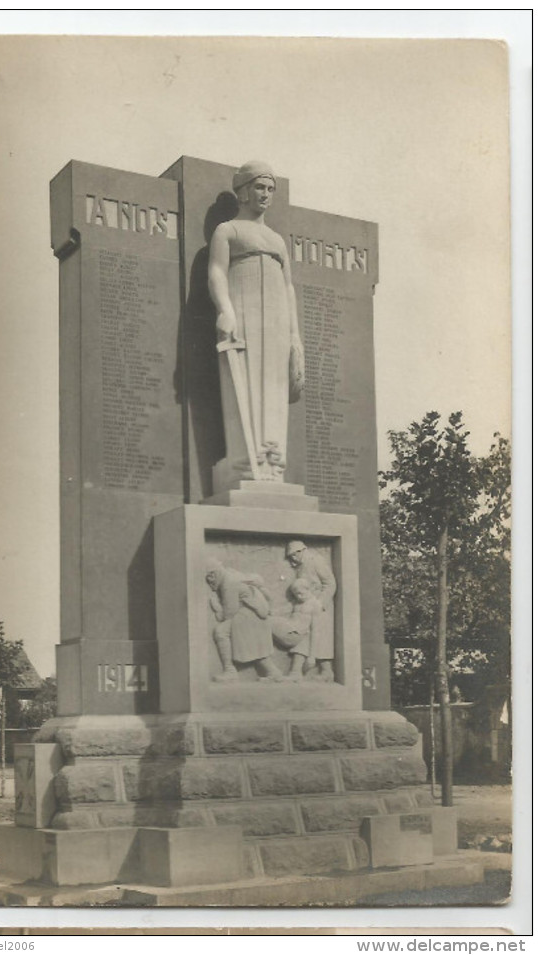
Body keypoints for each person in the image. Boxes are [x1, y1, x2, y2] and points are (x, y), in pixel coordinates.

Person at [208, 161, 304, 483]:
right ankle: (244, 459)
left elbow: (289, 286)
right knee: (246, 382)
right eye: (260, 187)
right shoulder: (229, 230)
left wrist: (294, 335)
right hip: (244, 313)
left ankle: (273, 460)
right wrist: (226, 309)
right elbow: (217, 271)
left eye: (270, 189)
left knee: (274, 385)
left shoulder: (277, 240)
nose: (265, 195)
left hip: (276, 320)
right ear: (244, 191)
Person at [205, 559, 282, 682]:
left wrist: (217, 608)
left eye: (210, 578)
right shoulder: (232, 575)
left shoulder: (228, 583)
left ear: (214, 574)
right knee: (256, 647)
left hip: (249, 617)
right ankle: (274, 672)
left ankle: (230, 671)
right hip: (255, 616)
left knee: (221, 631)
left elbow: (230, 612)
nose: (210, 582)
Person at [284, 540, 337, 680]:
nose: (292, 559)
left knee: (321, 638)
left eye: (292, 556)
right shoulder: (301, 565)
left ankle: (326, 671)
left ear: (300, 551)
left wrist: (320, 603)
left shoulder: (316, 561)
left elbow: (330, 583)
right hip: (307, 606)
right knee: (307, 635)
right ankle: (297, 671)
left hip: (320, 606)